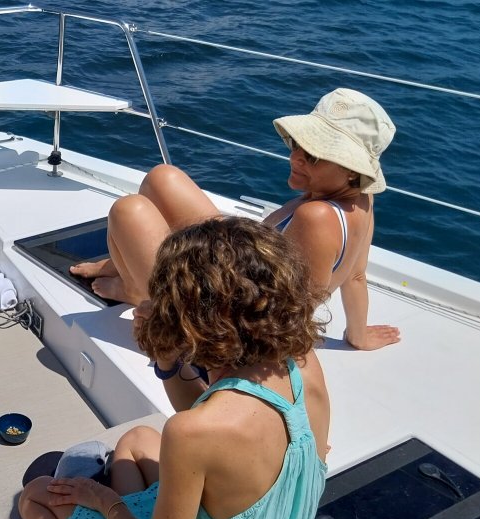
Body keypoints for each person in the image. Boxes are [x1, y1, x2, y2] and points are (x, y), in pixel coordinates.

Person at [20, 216, 331, 519]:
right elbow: (212, 425)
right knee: (137, 440)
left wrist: (102, 500)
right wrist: (167, 362)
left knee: (38, 496)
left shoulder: (195, 432)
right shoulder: (302, 364)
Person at [71, 88, 400, 351]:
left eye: (313, 155)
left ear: (351, 171)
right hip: (234, 268)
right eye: (299, 144)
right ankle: (124, 269)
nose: (295, 156)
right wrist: (358, 336)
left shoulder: (317, 217)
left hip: (220, 315)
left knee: (130, 211)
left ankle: (135, 288)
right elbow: (355, 275)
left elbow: (286, 316)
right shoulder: (360, 199)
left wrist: (189, 328)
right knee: (163, 178)